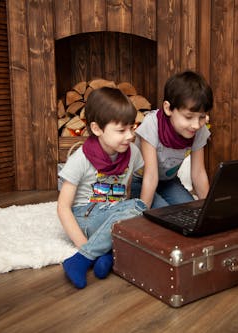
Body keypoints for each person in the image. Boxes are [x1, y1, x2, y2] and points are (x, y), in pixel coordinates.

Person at [57, 87, 146, 289]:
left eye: (132, 128)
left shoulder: (132, 152)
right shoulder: (80, 159)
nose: (130, 135)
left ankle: (105, 255)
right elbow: (63, 207)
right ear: (97, 129)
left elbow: (128, 188)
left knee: (142, 213)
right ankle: (81, 259)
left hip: (113, 213)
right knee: (137, 208)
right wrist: (82, 244)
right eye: (121, 130)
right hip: (85, 216)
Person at [131, 70, 214, 208]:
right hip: (140, 181)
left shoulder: (199, 129)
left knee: (189, 211)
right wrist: (143, 215)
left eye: (201, 117)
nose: (195, 125)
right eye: (188, 117)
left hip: (168, 181)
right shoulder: (151, 124)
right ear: (168, 108)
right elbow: (150, 176)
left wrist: (209, 210)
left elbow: (198, 173)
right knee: (163, 213)